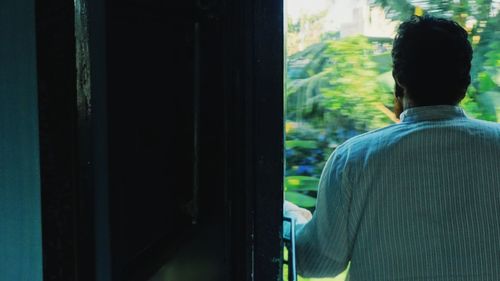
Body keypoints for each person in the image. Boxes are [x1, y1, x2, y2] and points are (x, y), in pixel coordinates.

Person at [284, 15, 500, 280]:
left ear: (399, 78)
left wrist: (287, 214)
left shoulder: (353, 159)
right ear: (466, 81)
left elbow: (317, 263)